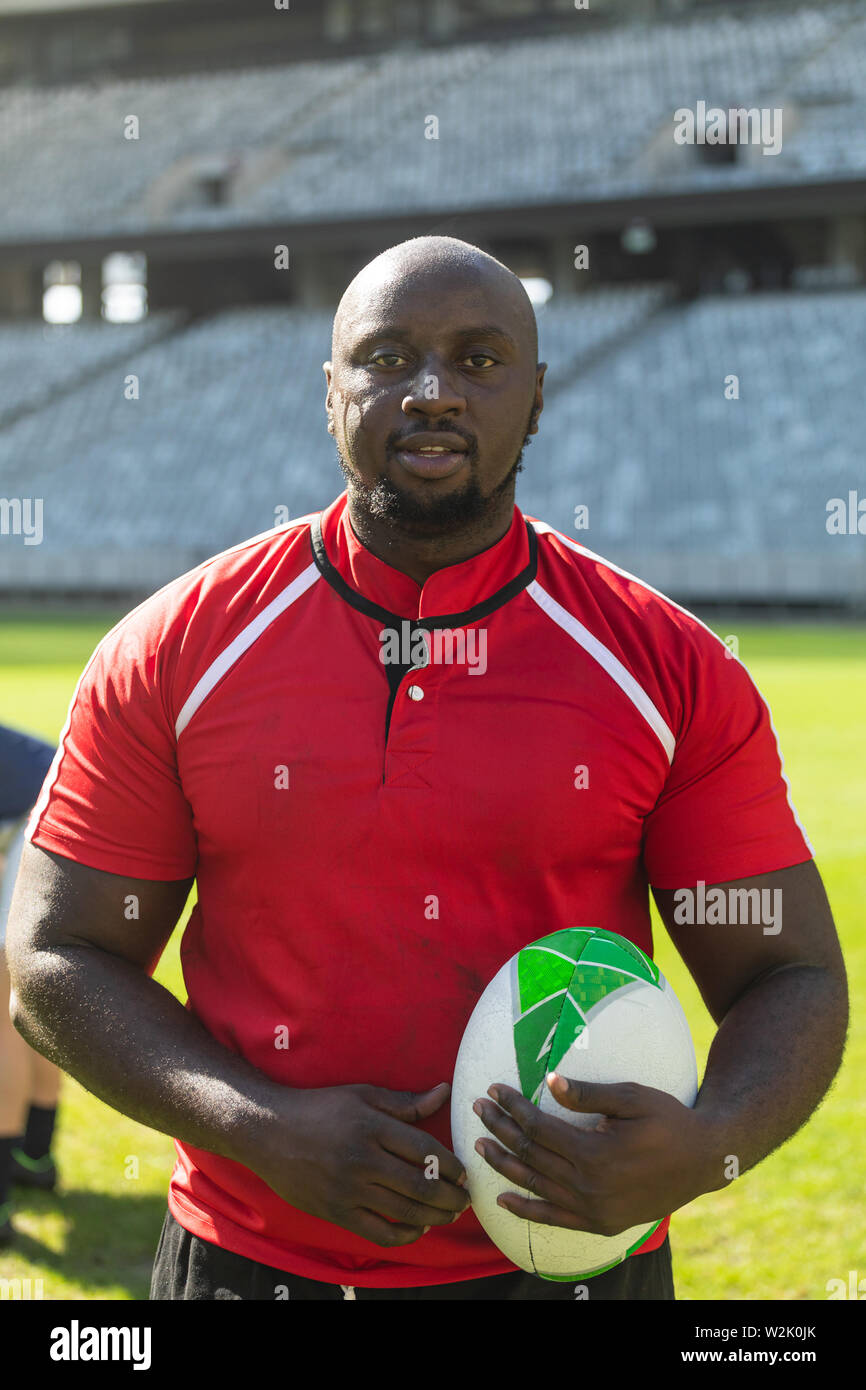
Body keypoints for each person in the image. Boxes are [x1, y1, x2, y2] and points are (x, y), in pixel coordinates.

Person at [6, 237, 848, 1300]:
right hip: (252, 1265)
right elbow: (55, 955)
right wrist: (260, 1127)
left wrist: (708, 1139)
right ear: (330, 392)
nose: (434, 391)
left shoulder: (664, 666)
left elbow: (787, 973)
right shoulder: (178, 648)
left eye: (480, 360)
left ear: (536, 396)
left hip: (573, 1270)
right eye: (388, 356)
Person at [0, 723, 62, 1246]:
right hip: (64, 806)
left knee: (3, 1009)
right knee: (32, 1000)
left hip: (35, 819)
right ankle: (35, 1158)